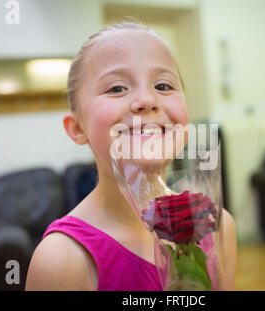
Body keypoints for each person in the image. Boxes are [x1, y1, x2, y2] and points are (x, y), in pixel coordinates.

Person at [25, 22, 237, 291]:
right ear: (78, 128)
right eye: (116, 88)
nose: (147, 100)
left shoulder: (217, 227)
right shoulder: (62, 258)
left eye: (163, 85)